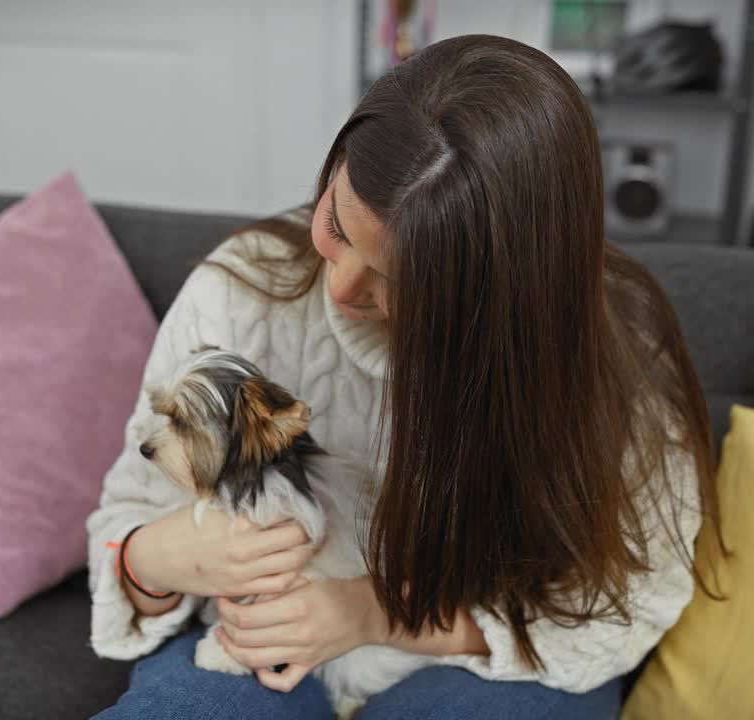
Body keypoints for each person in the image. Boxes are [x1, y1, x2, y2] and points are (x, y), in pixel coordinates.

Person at [88, 33, 719, 720]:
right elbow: (126, 522)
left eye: (399, 281)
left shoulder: (614, 363)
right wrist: (152, 560)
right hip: (263, 644)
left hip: (487, 660)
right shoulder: (242, 289)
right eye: (336, 222)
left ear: (499, 293)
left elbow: (624, 609)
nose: (341, 287)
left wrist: (371, 612)